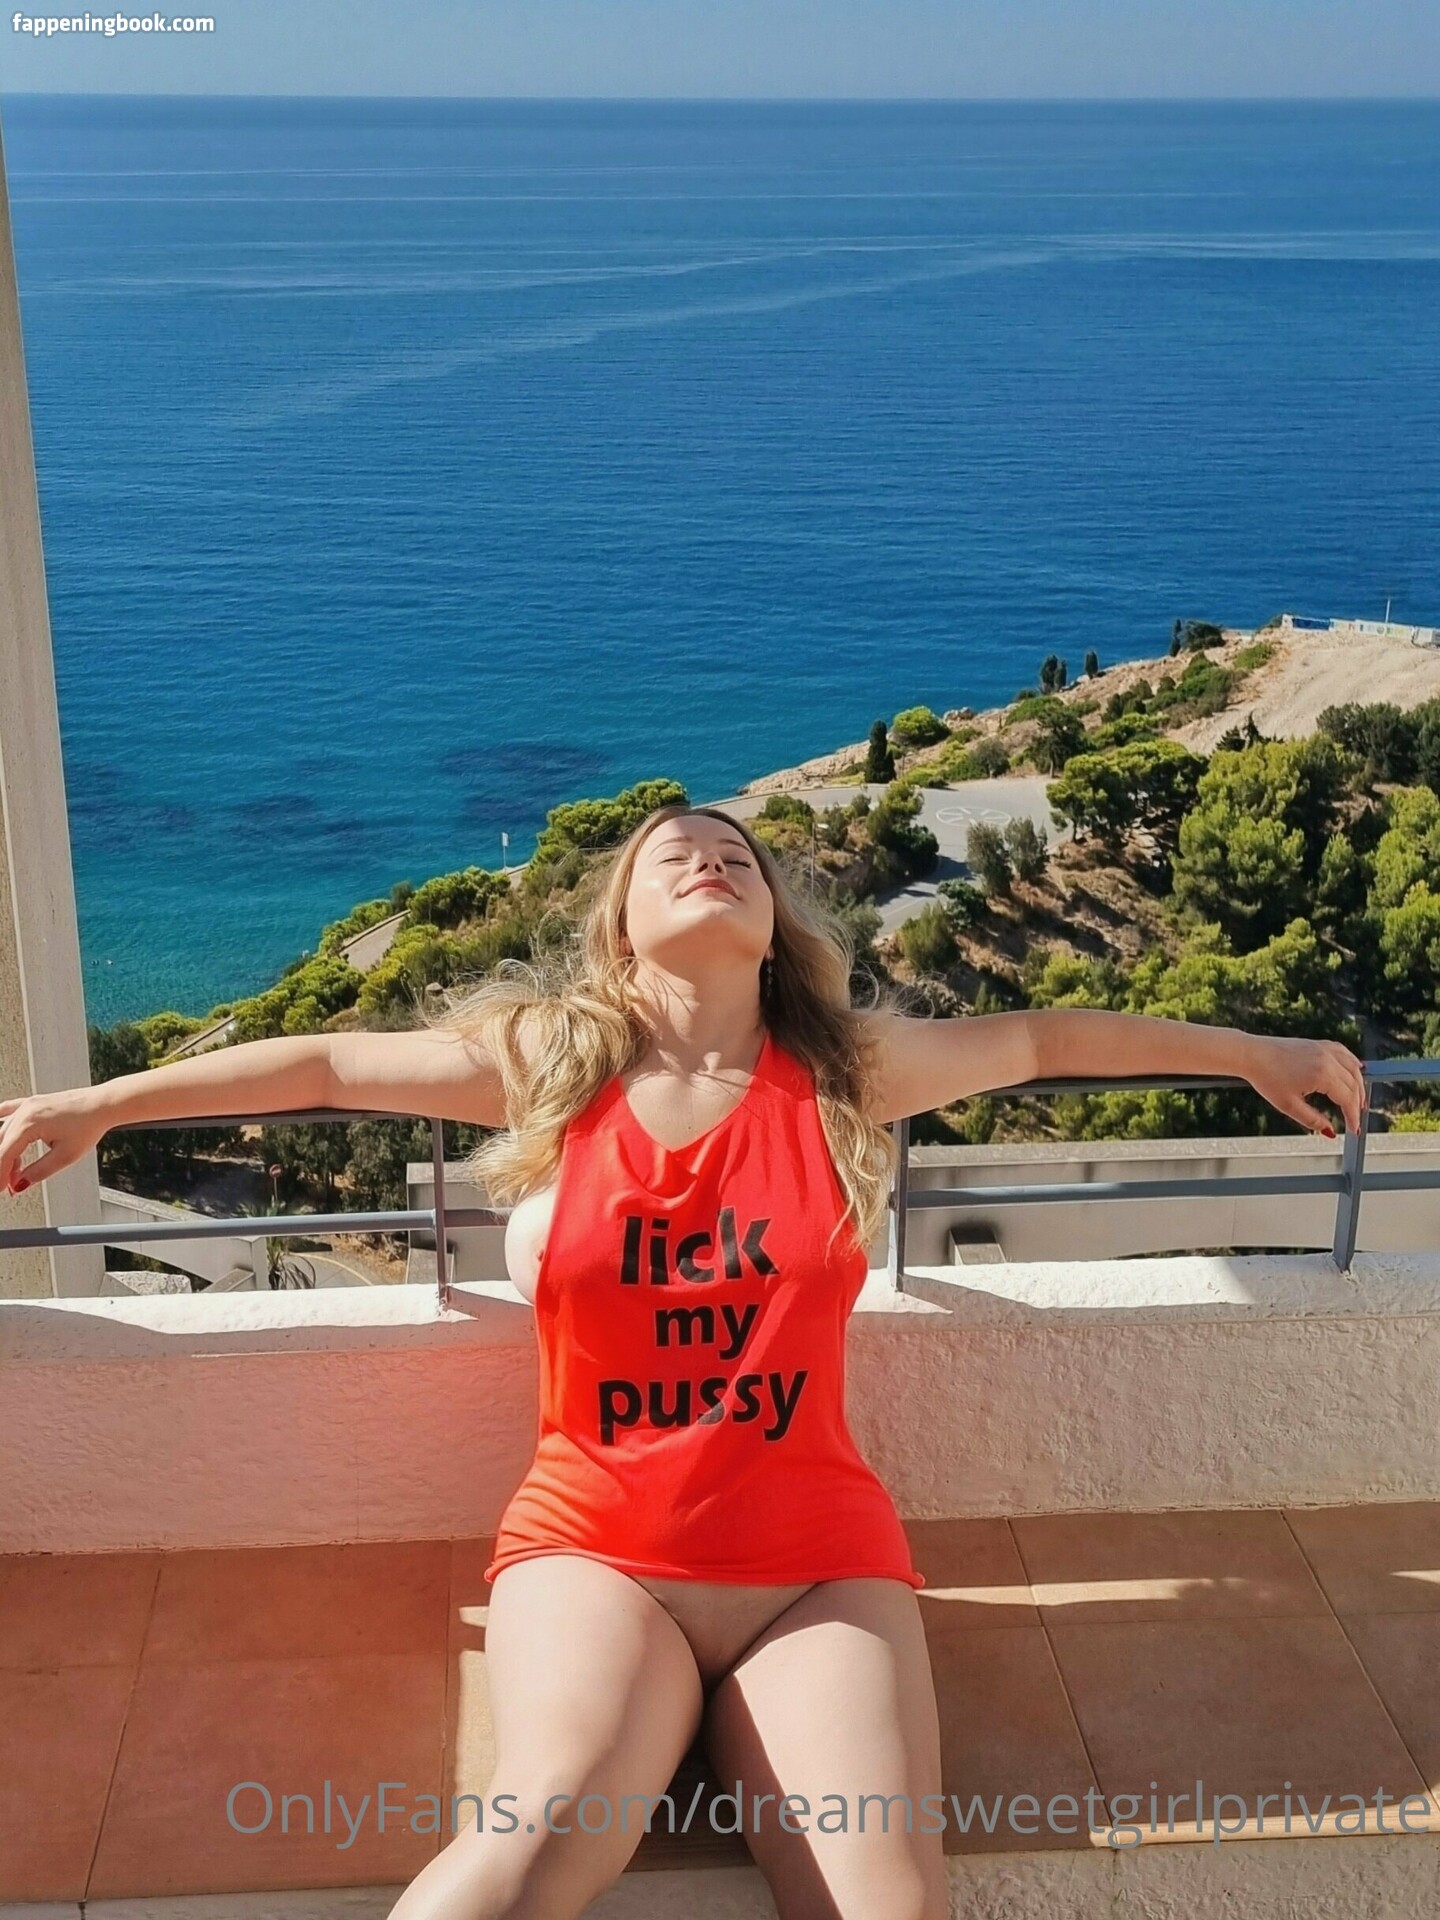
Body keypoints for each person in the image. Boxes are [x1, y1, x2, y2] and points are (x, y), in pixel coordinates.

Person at [0, 803, 1366, 1920]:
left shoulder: (844, 1072)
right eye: (675, 854)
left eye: (738, 858)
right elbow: (327, 1066)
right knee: (533, 1846)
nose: (712, 861)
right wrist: (101, 1104)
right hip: (597, 1557)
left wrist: (1255, 1051)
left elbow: (1049, 1041)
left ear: (773, 925)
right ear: (619, 927)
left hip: (817, 1570)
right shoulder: (553, 1062)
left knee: (884, 1902)